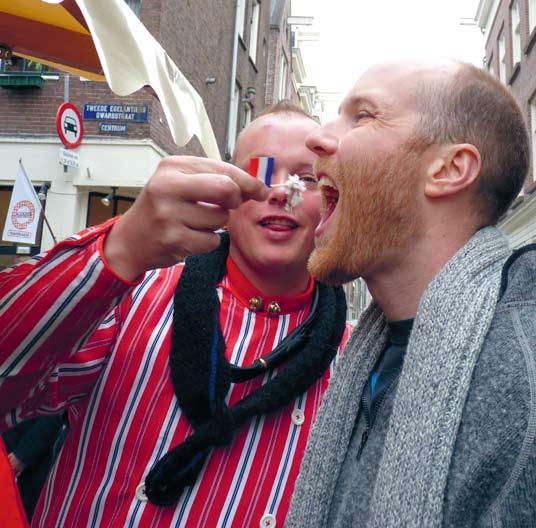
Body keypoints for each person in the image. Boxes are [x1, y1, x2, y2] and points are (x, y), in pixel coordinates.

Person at [0, 100, 352, 527]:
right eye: (260, 171)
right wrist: (121, 249)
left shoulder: (355, 363)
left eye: (306, 178)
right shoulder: (129, 300)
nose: (280, 191)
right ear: (226, 190)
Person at [286, 60, 536, 527]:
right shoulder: (370, 358)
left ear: (448, 169)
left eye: (363, 116)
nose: (316, 138)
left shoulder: (525, 366)